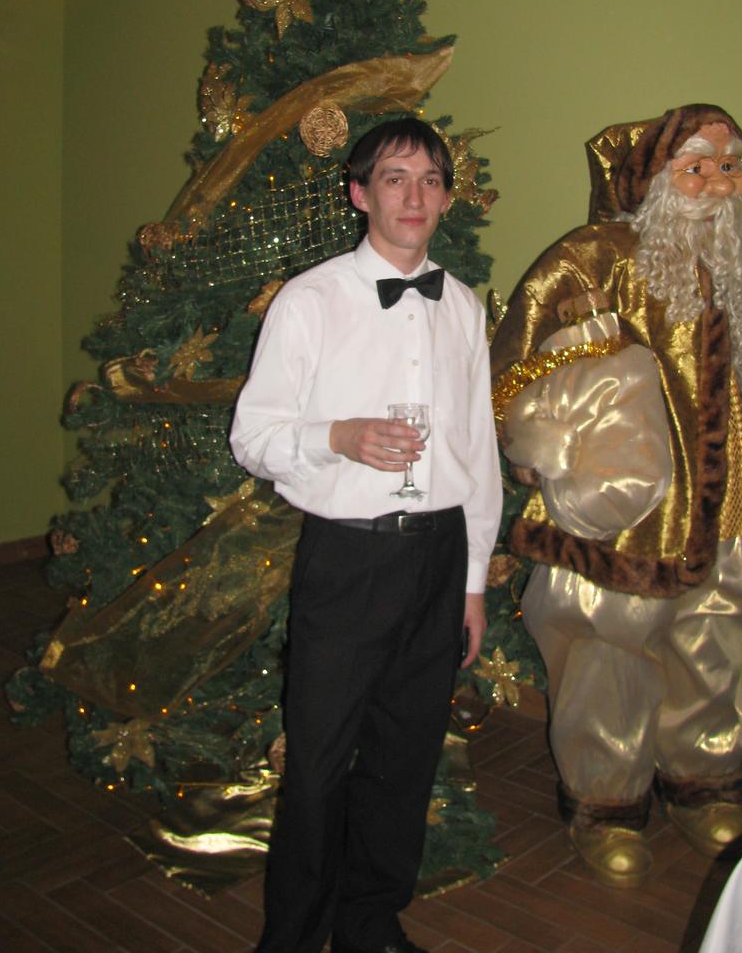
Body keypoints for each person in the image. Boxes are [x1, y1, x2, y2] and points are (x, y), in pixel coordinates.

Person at [490, 103, 742, 887]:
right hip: (630, 513)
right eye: (698, 167)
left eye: (732, 165)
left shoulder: (738, 267)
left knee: (712, 646)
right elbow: (519, 343)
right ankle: (605, 803)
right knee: (610, 656)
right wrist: (528, 438)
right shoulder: (595, 255)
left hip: (729, 503)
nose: (719, 183)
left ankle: (702, 782)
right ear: (654, 181)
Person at [230, 117, 502, 953]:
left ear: (446, 198)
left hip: (439, 554)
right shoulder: (309, 301)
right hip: (348, 559)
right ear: (359, 193)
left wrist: (472, 583)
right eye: (393, 178)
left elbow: (478, 452)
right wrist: (338, 437)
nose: (414, 196)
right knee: (317, 765)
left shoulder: (463, 307)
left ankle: (369, 925)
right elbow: (252, 437)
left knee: (404, 757)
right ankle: (292, 938)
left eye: (430, 180)